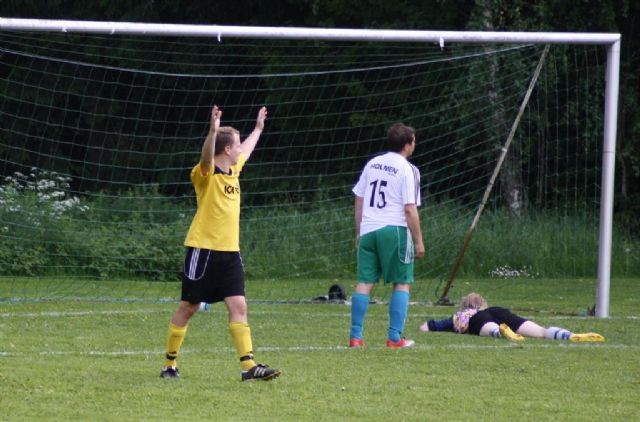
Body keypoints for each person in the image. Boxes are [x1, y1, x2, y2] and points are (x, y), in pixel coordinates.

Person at [160, 105, 281, 381]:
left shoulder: (233, 169)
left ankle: (249, 367)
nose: (239, 149)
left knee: (239, 306)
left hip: (230, 253)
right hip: (202, 250)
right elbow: (206, 158)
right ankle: (169, 364)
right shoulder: (206, 174)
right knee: (189, 307)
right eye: (235, 145)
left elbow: (246, 150)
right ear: (226, 149)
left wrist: (258, 129)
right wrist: (212, 132)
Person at [349, 123, 425, 349]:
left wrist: (359, 230)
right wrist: (419, 241)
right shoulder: (408, 169)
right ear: (407, 145)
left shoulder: (373, 163)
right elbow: (409, 209)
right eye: (414, 140)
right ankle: (394, 338)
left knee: (364, 282)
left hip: (368, 230)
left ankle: (355, 337)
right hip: (394, 231)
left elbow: (359, 199)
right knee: (402, 282)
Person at [419, 292, 604, 342]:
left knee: (491, 329)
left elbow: (427, 326)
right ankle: (568, 335)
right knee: (541, 331)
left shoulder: (463, 315)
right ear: (483, 303)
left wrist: (426, 328)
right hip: (501, 312)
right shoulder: (492, 309)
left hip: (478, 321)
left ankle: (502, 333)